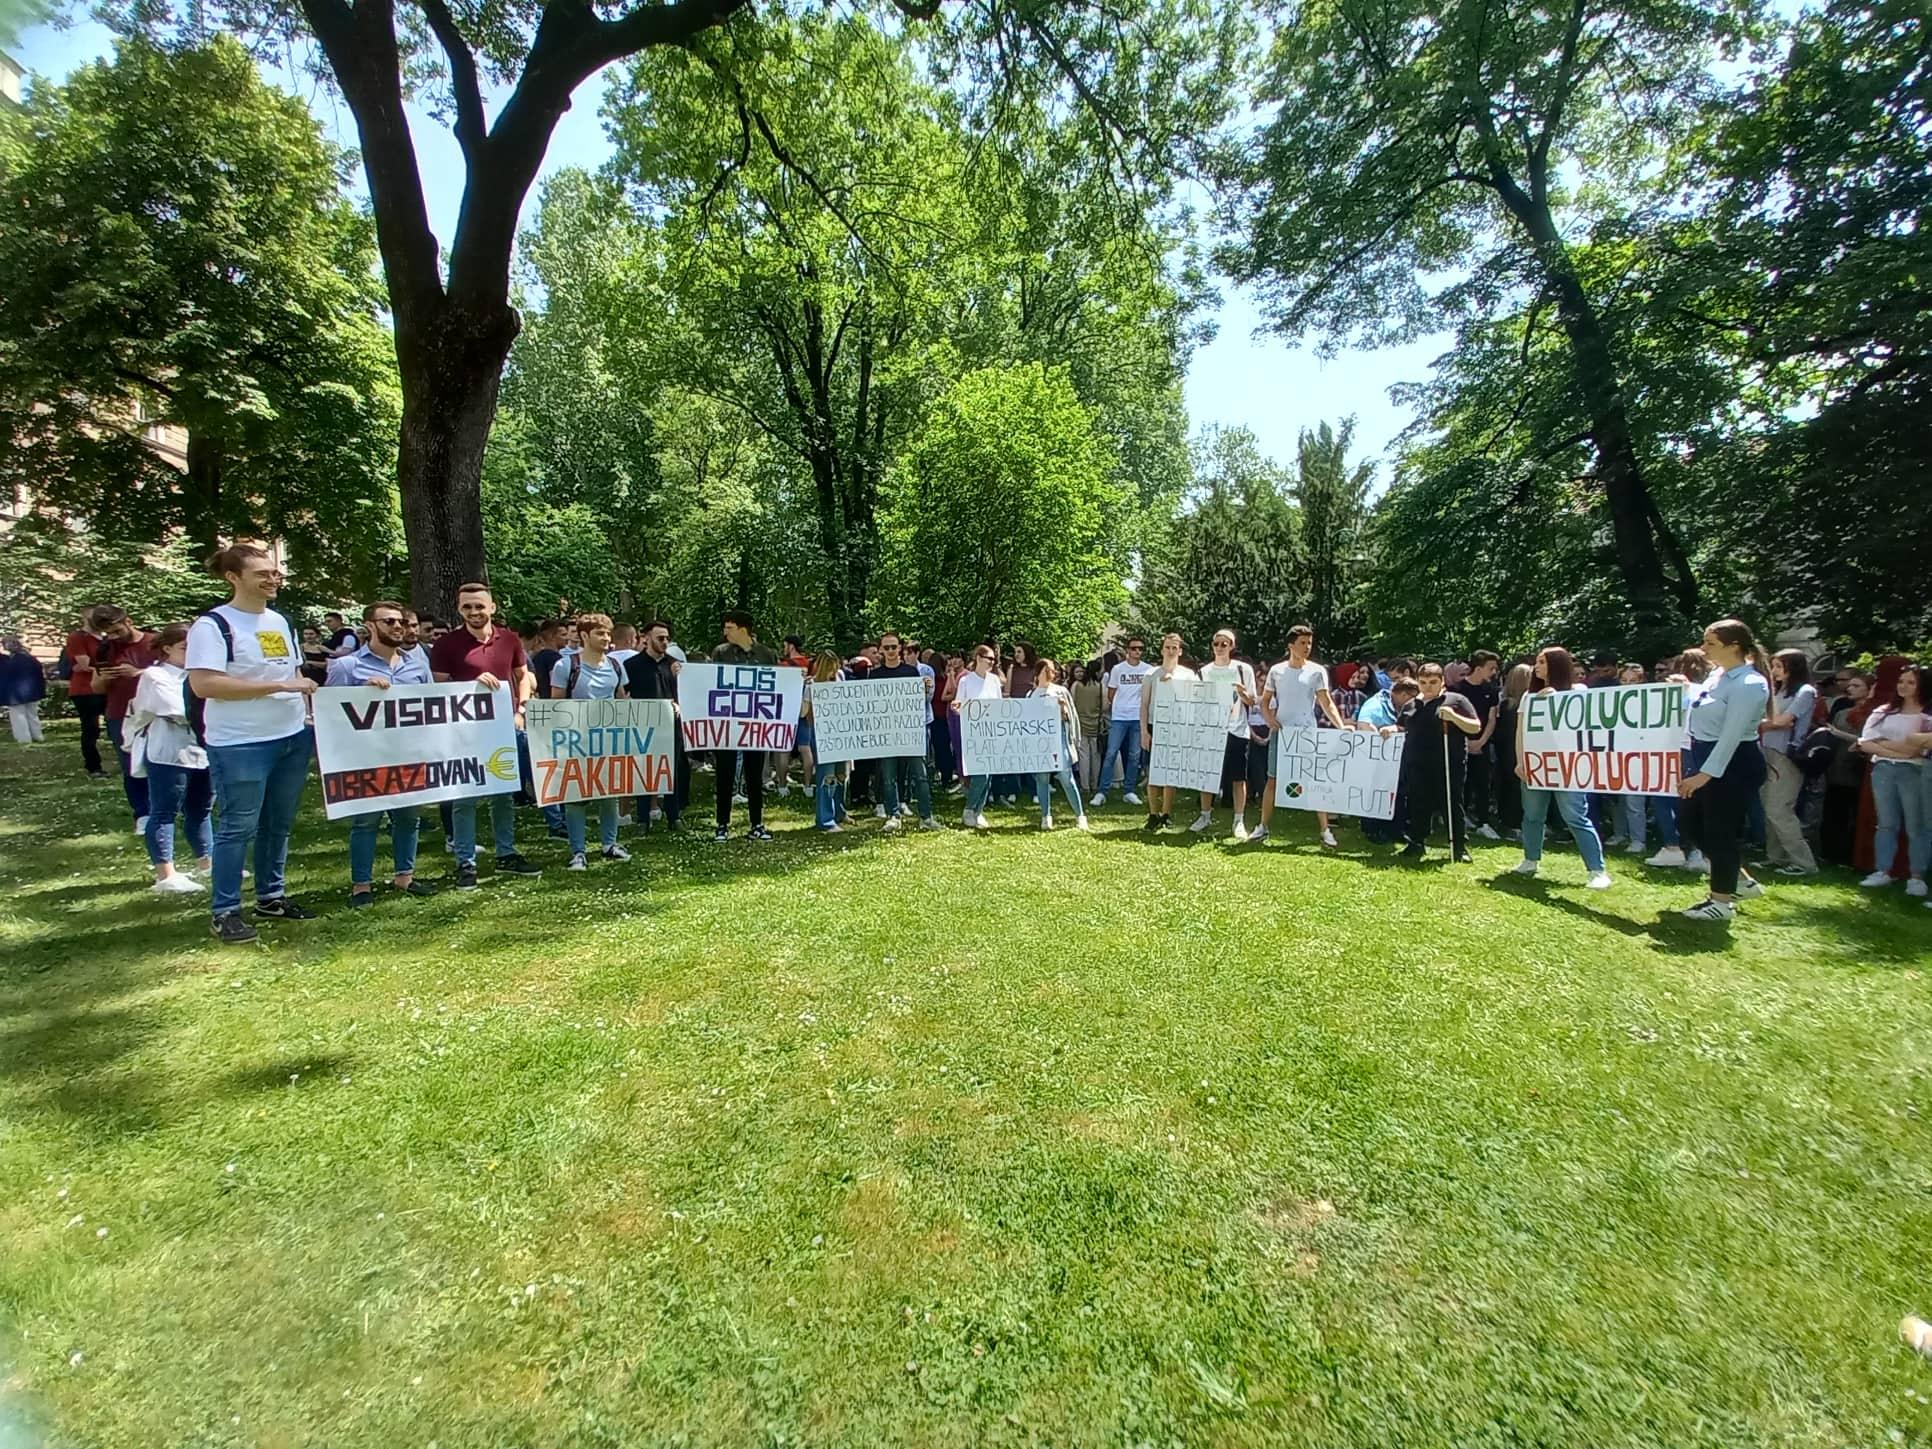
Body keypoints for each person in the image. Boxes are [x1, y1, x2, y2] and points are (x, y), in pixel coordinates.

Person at [185, 543, 319, 944]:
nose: (273, 579)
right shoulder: (213, 626)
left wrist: (304, 705)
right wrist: (279, 686)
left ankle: (271, 896)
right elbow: (204, 684)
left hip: (291, 736)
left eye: (275, 572)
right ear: (233, 578)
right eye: (263, 573)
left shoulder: (279, 622)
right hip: (241, 742)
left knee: (278, 822)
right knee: (238, 826)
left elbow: (291, 671)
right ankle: (225, 910)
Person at [429, 582, 543, 889]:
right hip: (463, 732)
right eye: (467, 606)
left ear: (491, 607)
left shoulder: (509, 639)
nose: (474, 612)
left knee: (503, 793)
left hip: (503, 727)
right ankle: (465, 862)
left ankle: (506, 853)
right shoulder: (447, 645)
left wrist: (521, 710)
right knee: (465, 797)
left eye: (480, 606)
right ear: (459, 609)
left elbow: (522, 677)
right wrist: (470, 684)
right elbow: (437, 687)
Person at [325, 602, 439, 906]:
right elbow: (329, 714)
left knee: (408, 817)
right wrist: (361, 692)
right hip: (365, 759)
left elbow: (432, 706)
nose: (398, 627)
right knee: (365, 822)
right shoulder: (346, 667)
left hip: (408, 754)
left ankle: (405, 876)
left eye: (401, 621)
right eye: (389, 621)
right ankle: (361, 886)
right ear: (370, 625)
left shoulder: (417, 666)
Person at [1677, 619, 1772, 922]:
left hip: (1733, 764)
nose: (1703, 648)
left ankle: (1721, 902)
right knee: (1692, 824)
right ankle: (1741, 881)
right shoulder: (1718, 676)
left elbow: (1731, 735)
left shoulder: (1750, 683)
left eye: (1710, 643)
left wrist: (1704, 775)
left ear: (1734, 647)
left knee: (1720, 831)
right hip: (1707, 758)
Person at [1505, 647, 1612, 888]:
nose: (1537, 667)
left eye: (1542, 662)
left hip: (1568, 766)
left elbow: (1583, 724)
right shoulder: (1528, 697)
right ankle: (1530, 859)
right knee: (1532, 816)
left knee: (1575, 816)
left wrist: (1555, 698)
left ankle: (1597, 870)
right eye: (1537, 662)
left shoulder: (1580, 692)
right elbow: (1521, 732)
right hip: (1536, 765)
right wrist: (1521, 761)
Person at [544, 613, 634, 872]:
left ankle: (610, 844)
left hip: (608, 740)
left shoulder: (616, 666)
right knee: (576, 796)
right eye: (600, 633)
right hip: (575, 741)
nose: (606, 638)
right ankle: (578, 852)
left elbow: (623, 701)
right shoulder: (565, 666)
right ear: (584, 636)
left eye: (608, 633)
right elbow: (556, 705)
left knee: (609, 794)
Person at [126, 623, 211, 894]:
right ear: (167, 648)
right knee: (165, 810)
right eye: (186, 648)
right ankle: (166, 874)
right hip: (169, 751)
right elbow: (178, 710)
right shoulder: (155, 676)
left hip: (201, 750)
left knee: (201, 808)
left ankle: (207, 863)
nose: (193, 653)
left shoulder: (199, 674)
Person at [1253, 625, 1348, 847]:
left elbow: (1326, 702)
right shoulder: (1276, 671)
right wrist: (1268, 718)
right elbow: (1265, 700)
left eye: (1309, 643)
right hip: (1282, 732)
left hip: (1307, 732)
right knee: (1273, 779)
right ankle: (1262, 826)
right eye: (1302, 643)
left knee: (1314, 780)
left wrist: (1341, 726)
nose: (1307, 647)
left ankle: (1325, 830)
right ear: (1290, 646)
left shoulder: (1316, 671)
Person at [1853, 663, 1930, 897]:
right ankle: (1882, 870)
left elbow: (1920, 749)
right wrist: (1900, 751)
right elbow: (1865, 742)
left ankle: (1916, 876)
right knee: (1886, 822)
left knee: (1916, 825)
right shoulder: (1884, 711)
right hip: (1884, 769)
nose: (1903, 686)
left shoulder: (1926, 715)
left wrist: (1885, 744)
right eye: (1901, 682)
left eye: (1910, 682)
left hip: (1915, 771)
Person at [1400, 662, 1483, 861]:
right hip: (1417, 762)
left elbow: (1475, 727)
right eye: (1423, 682)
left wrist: (1454, 717)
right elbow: (1401, 727)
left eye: (1433, 682)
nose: (1428, 686)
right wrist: (1389, 729)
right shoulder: (1411, 705)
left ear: (1442, 682)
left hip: (1448, 761)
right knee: (1418, 802)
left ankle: (1459, 847)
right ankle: (1417, 842)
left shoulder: (1456, 700)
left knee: (1451, 803)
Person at [710, 610, 778, 842]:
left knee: (754, 774)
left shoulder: (766, 654)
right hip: (727, 723)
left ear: (743, 629)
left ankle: (757, 824)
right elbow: (711, 681)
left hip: (756, 724)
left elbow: (776, 685)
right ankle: (722, 825)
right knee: (725, 773)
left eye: (729, 627)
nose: (725, 632)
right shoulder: (721, 653)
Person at [1645, 648, 1711, 871]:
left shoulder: (1696, 690)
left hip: (1686, 748)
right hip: (1677, 748)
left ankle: (1688, 850)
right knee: (1670, 798)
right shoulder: (1703, 688)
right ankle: (1683, 850)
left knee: (1680, 800)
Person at [93, 606, 156, 834]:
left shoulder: (155, 643)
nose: (113, 637)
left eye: (117, 631)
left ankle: (169, 809)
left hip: (154, 711)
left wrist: (138, 673)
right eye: (108, 633)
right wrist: (104, 678)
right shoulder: (105, 649)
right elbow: (95, 686)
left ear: (128, 621)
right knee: (131, 765)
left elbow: (175, 674)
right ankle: (142, 813)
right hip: (120, 713)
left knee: (162, 762)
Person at [1758, 648, 1821, 877]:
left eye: (1778, 666)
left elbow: (1784, 721)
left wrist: (1758, 722)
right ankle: (1776, 857)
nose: (1774, 671)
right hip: (1767, 751)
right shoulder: (1779, 691)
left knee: (1780, 808)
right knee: (1768, 806)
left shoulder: (1805, 692)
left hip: (1787, 755)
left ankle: (1804, 863)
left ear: (1792, 667)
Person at [871, 631, 941, 831]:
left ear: (900, 648)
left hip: (911, 732)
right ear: (881, 650)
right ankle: (894, 815)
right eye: (887, 647)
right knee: (889, 777)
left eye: (894, 647)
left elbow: (918, 702)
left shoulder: (911, 672)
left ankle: (926, 817)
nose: (891, 651)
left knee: (920, 775)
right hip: (887, 733)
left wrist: (924, 689)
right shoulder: (874, 675)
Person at [624, 620, 688, 832]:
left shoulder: (675, 665)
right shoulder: (632, 665)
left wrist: (680, 704)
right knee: (644, 770)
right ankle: (643, 818)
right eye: (660, 638)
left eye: (667, 638)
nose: (665, 642)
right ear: (646, 638)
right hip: (643, 726)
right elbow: (623, 695)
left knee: (673, 770)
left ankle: (674, 815)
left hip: (672, 725)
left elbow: (687, 694)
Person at [1195, 628, 1258, 839]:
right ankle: (1204, 816)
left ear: (1232, 646)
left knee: (1238, 778)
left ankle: (1238, 820)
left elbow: (1253, 701)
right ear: (1212, 646)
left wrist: (1243, 693)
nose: (1220, 647)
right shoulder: (1204, 672)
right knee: (1206, 775)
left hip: (1237, 730)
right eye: (1217, 643)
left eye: (1225, 644)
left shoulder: (1243, 669)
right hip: (1211, 729)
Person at [1136, 632, 1199, 832]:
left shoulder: (1188, 675)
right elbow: (1144, 705)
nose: (1171, 651)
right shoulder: (1150, 674)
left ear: (1179, 651)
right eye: (1167, 647)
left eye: (1174, 648)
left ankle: (1166, 814)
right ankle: (1153, 814)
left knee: (1171, 773)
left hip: (1178, 726)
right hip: (1156, 725)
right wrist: (1144, 731)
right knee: (1153, 772)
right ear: (1162, 649)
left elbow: (1194, 701)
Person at [1818, 671, 1872, 868]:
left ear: (1869, 689)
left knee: (1853, 811)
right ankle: (1830, 852)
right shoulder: (1841, 712)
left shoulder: (1873, 714)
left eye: (1857, 686)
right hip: (1836, 764)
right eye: (1850, 685)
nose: (1850, 688)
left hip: (1857, 767)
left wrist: (1838, 733)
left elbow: (1867, 740)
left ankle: (1850, 855)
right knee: (1834, 810)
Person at [1030, 658, 1089, 830]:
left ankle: (1080, 815)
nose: (1052, 673)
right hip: (1040, 744)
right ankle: (1045, 815)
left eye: (1053, 670)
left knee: (1066, 778)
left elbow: (1071, 718)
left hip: (1059, 741)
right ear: (1039, 672)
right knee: (1042, 778)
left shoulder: (1060, 691)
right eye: (1047, 669)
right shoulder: (1031, 695)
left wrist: (1063, 710)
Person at [1096, 636, 1153, 807]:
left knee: (1135, 756)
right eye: (1134, 648)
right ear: (1128, 650)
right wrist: (1119, 706)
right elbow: (1111, 693)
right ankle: (1102, 791)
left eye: (1141, 648)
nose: (1137, 651)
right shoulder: (1118, 669)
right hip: (1120, 717)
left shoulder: (1148, 670)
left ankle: (1129, 790)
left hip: (1138, 717)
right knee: (1111, 753)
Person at [953, 643, 1004, 829]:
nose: (992, 662)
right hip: (973, 734)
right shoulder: (966, 681)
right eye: (989, 658)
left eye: (993, 659)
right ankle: (969, 809)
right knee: (980, 775)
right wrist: (957, 708)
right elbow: (959, 705)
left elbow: (999, 706)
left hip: (991, 733)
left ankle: (978, 811)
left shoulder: (994, 680)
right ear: (978, 658)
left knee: (989, 775)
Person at [1460, 650, 1503, 840]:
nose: (1494, 672)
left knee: (1483, 783)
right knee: (1463, 783)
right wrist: (1466, 742)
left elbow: (1492, 719)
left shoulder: (1492, 691)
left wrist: (1481, 741)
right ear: (1478, 668)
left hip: (1483, 744)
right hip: (1461, 744)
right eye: (1491, 668)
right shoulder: (1457, 689)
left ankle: (1484, 821)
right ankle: (1462, 819)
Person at [64, 612, 108, 777]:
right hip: (84, 690)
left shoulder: (106, 638)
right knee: (91, 728)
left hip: (106, 686)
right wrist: (106, 667)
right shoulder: (78, 637)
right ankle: (93, 766)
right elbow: (84, 664)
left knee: (118, 724)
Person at [1493, 661, 1533, 840]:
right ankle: (1514, 823)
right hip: (1516, 749)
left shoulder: (1504, 704)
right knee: (1516, 787)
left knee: (1508, 786)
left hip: (1504, 750)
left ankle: (1509, 822)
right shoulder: (1522, 706)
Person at [2, 637, 46, 743]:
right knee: (32, 714)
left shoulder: (12, 661)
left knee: (18, 715)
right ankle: (38, 736)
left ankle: (24, 739)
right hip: (32, 691)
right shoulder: (31, 658)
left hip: (16, 692)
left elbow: (6, 675)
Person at [529, 618, 569, 701]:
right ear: (552, 637)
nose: (567, 638)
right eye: (563, 635)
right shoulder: (554, 658)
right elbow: (556, 684)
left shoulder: (537, 656)